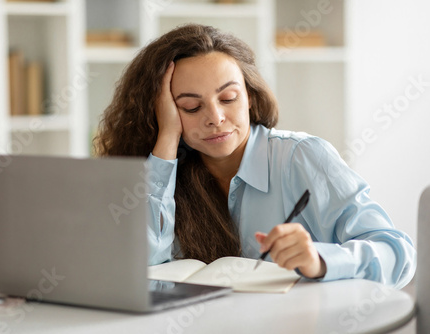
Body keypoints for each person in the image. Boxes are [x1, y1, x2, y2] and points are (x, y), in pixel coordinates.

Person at [94, 24, 416, 288]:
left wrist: (319, 260)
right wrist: (165, 140)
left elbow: (397, 253)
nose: (216, 117)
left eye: (229, 97)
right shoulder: (161, 171)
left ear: (249, 96)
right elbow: (138, 266)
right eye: (191, 106)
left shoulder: (302, 157)